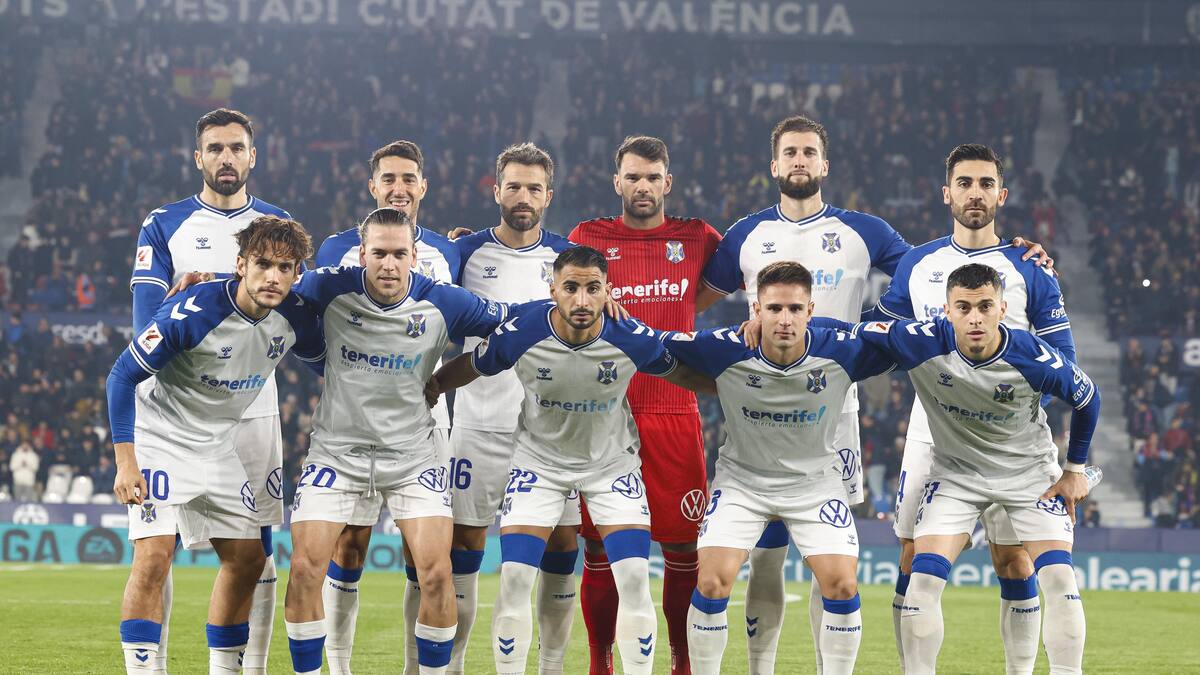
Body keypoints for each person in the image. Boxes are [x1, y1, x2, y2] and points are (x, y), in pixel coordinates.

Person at [698, 115, 1053, 673]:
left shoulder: (867, 233)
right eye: (790, 152)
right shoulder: (745, 234)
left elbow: (940, 272)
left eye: (809, 152)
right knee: (764, 558)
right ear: (774, 164)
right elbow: (691, 302)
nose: (799, 161)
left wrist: (1018, 253)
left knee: (829, 566)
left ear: (825, 163)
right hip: (757, 411)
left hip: (834, 413)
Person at [427, 245, 715, 675]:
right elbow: (475, 364)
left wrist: (739, 391)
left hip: (611, 467)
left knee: (634, 579)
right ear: (553, 289)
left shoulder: (629, 335)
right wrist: (433, 386)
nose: (582, 300)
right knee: (515, 579)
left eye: (593, 289)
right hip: (538, 466)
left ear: (608, 292)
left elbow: (684, 372)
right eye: (571, 288)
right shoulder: (524, 330)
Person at [869, 143, 1077, 673]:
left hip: (1010, 435)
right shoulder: (919, 264)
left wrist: (1010, 397)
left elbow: (1066, 362)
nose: (975, 193)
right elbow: (876, 338)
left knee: (1014, 560)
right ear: (947, 193)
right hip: (934, 430)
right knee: (913, 554)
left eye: (986, 183)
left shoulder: (1030, 267)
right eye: (965, 183)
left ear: (1002, 195)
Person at [281, 208, 509, 675]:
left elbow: (515, 320)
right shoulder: (327, 286)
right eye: (380, 253)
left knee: (437, 574)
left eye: (399, 254)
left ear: (414, 257)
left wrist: (575, 304)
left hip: (412, 457)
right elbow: (264, 288)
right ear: (362, 254)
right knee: (304, 570)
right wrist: (205, 284)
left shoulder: (443, 300)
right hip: (337, 453)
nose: (389, 264)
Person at [844, 263, 1099, 675]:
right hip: (957, 475)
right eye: (963, 307)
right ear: (947, 310)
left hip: (1028, 476)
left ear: (1002, 309)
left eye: (984, 306)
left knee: (1058, 578)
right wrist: (777, 329)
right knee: (922, 577)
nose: (975, 317)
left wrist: (1074, 469)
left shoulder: (1034, 356)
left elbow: (1088, 398)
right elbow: (848, 332)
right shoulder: (922, 340)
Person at [107, 216, 323, 675]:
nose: (273, 276)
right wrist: (126, 462)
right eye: (262, 264)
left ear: (296, 273)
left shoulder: (297, 314)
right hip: (161, 437)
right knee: (153, 557)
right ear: (241, 265)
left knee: (248, 560)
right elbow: (122, 375)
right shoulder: (194, 311)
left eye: (285, 268)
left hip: (220, 444)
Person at [667, 261, 895, 674]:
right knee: (712, 581)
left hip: (815, 484)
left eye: (794, 309)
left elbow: (904, 342)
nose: (784, 319)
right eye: (774, 309)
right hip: (743, 483)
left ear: (810, 311)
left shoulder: (841, 351)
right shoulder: (728, 348)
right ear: (756, 310)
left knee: (842, 584)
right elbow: (659, 350)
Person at [128, 108, 293, 674]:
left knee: (256, 550)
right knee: (160, 545)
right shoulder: (165, 223)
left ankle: (251, 668)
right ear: (198, 157)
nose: (227, 158)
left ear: (253, 156)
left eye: (237, 148)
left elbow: (296, 310)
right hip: (179, 408)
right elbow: (145, 324)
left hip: (254, 405)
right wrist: (180, 300)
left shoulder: (277, 224)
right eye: (216, 148)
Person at [568, 136, 723, 675]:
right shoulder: (588, 236)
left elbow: (742, 269)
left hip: (674, 410)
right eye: (633, 177)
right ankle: (600, 663)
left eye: (652, 177)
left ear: (667, 183)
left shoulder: (697, 237)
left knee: (682, 550)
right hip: (606, 415)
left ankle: (681, 661)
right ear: (617, 182)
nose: (642, 186)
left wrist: (683, 309)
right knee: (600, 549)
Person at [313, 140, 460, 675]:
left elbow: (464, 320)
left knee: (424, 557)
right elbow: (312, 327)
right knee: (348, 547)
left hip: (424, 418)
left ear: (424, 186)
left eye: (408, 178)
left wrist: (436, 380)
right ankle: (339, 668)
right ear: (372, 186)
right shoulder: (335, 250)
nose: (399, 188)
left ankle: (413, 668)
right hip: (353, 423)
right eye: (389, 179)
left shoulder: (449, 252)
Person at [446, 142, 580, 675]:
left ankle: (551, 666)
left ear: (549, 195)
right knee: (465, 543)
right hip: (479, 424)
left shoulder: (570, 260)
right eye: (514, 186)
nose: (523, 196)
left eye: (534, 188)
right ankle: (453, 666)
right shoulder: (463, 253)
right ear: (496, 190)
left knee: (563, 544)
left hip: (551, 432)